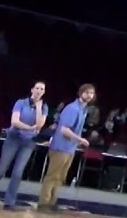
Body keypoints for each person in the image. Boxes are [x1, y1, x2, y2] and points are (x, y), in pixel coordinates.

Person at [0, 80, 47, 209]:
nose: (39, 91)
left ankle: (9, 202)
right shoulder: (21, 102)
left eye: (42, 89)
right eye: (37, 88)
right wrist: (30, 128)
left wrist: (38, 109)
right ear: (32, 90)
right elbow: (15, 121)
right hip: (13, 138)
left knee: (18, 172)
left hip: (28, 142)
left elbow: (40, 125)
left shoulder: (43, 107)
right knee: (1, 169)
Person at [38, 83, 95, 212]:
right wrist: (80, 139)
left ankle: (52, 202)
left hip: (70, 148)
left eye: (91, 93)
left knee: (60, 177)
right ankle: (43, 203)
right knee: (52, 176)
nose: (89, 95)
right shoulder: (73, 108)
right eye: (87, 92)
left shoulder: (83, 110)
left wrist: (77, 141)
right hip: (61, 147)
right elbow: (64, 129)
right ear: (80, 93)